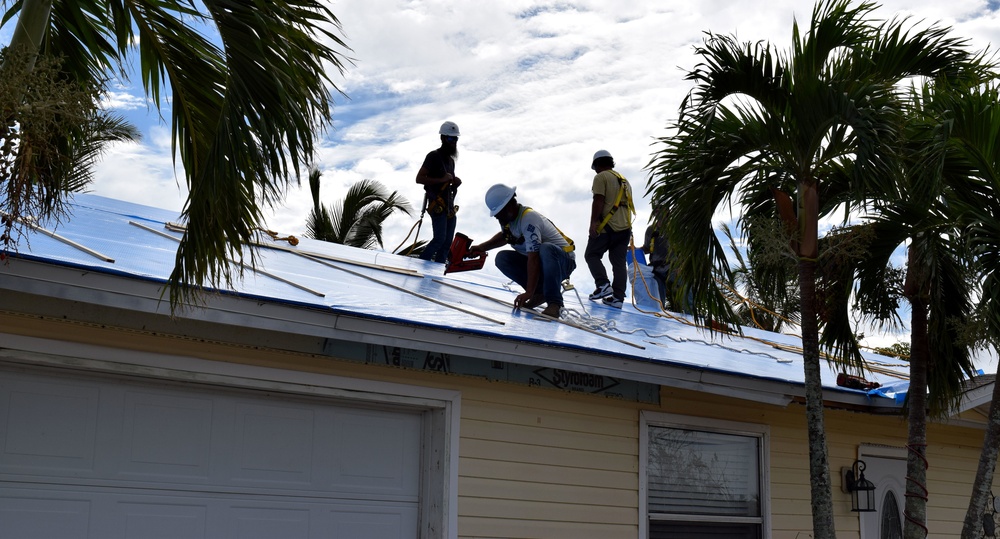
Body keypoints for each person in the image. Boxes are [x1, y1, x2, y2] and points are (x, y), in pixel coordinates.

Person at [471, 184, 576, 318]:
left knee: (545, 249)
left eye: (499, 214)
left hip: (563, 262)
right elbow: (506, 236)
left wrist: (528, 293)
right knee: (502, 258)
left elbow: (533, 258)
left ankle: (555, 303)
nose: (498, 218)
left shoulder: (529, 219)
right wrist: (482, 247)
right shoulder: (507, 219)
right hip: (544, 262)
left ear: (509, 206)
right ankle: (540, 293)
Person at [585, 149, 634, 309]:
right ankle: (618, 298)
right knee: (618, 262)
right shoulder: (624, 180)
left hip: (607, 226)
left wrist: (593, 223)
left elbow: (599, 200)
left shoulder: (601, 177)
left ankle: (603, 284)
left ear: (598, 164)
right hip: (625, 228)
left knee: (591, 254)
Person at [416, 121, 462, 263]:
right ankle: (421, 264)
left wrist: (455, 183)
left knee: (447, 243)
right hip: (437, 205)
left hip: (448, 206)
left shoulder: (450, 161)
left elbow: (447, 183)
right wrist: (441, 179)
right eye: (450, 139)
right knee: (439, 240)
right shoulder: (433, 156)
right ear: (442, 138)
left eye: (455, 139)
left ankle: (438, 271)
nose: (453, 142)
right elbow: (420, 178)